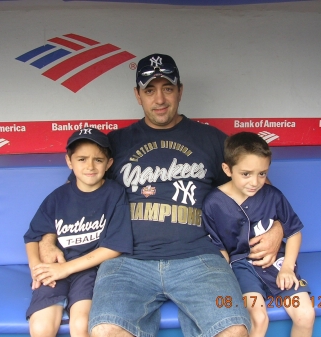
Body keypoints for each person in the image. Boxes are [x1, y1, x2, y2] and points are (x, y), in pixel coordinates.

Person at [39, 53, 284, 337]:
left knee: (233, 331)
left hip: (200, 258)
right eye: (150, 90)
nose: (160, 99)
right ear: (137, 95)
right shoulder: (113, 144)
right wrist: (47, 238)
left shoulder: (213, 140)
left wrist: (278, 228)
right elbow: (71, 198)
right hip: (126, 262)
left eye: (167, 88)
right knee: (105, 331)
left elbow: (261, 189)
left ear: (180, 91)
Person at [202, 132, 315, 337]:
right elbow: (220, 250)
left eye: (262, 173)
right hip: (241, 268)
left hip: (276, 263)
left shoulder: (273, 195)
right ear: (227, 169)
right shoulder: (213, 203)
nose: (255, 181)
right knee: (259, 318)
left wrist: (288, 267)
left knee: (306, 314)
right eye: (246, 174)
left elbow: (294, 233)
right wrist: (225, 280)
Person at [23, 128, 133, 337]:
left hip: (90, 270)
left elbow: (115, 247)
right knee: (40, 327)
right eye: (82, 159)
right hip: (56, 267)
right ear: (69, 161)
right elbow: (32, 236)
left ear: (109, 163)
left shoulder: (115, 193)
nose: (90, 166)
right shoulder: (58, 196)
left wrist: (65, 270)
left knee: (81, 325)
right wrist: (37, 268)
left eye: (98, 160)